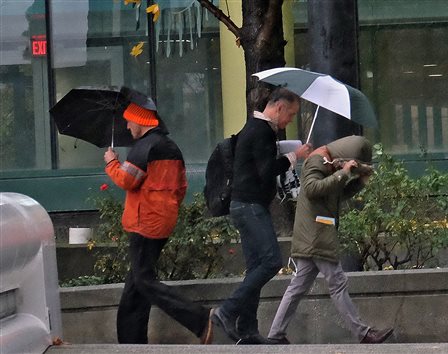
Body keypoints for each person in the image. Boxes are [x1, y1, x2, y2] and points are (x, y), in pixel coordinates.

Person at [103, 99, 213, 345]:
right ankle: (132, 344)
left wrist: (111, 162)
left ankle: (199, 318)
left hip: (144, 223)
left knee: (143, 281)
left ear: (140, 121)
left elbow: (127, 181)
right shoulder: (170, 146)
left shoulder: (144, 147)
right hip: (162, 221)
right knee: (134, 289)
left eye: (129, 121)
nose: (127, 126)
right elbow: (181, 187)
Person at [267, 135, 394, 345]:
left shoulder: (328, 163)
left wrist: (359, 181)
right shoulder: (316, 162)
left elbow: (336, 194)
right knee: (337, 282)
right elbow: (311, 189)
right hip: (317, 234)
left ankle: (275, 334)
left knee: (298, 286)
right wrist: (343, 173)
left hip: (314, 233)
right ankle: (364, 334)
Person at [210, 87, 312, 344]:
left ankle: (248, 330)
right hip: (250, 206)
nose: (289, 120)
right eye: (290, 114)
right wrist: (293, 156)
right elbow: (266, 171)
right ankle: (227, 311)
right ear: (278, 107)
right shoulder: (261, 131)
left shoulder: (255, 128)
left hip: (245, 205)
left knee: (256, 267)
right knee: (271, 261)